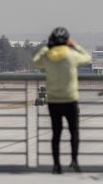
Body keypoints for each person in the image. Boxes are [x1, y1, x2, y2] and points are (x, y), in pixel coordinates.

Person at [32, 27, 91, 174]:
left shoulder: (48, 56)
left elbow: (35, 62)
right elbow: (88, 58)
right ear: (67, 40)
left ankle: (57, 165)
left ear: (52, 41)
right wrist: (74, 45)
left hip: (54, 101)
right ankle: (74, 162)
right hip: (70, 99)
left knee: (56, 134)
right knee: (74, 132)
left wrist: (47, 47)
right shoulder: (72, 55)